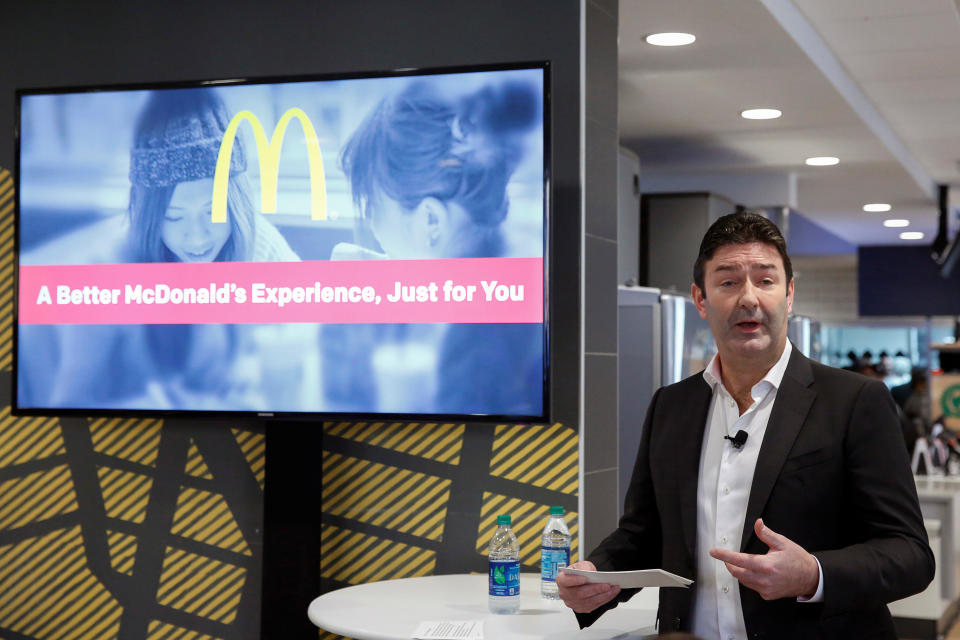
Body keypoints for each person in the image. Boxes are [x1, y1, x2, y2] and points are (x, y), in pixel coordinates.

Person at [558, 212, 934, 639]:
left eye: (766, 280)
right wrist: (598, 575)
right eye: (729, 282)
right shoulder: (672, 405)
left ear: (789, 295)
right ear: (700, 299)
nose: (749, 298)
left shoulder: (854, 401)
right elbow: (645, 532)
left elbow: (910, 555)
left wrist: (814, 573)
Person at [27, 89, 302, 410]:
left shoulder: (259, 245)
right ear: (150, 219)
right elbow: (68, 405)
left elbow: (304, 341)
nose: (197, 238)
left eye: (214, 212)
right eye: (173, 217)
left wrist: (259, 364)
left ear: (236, 205)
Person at [334, 78, 543, 416]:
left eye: (371, 207)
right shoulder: (511, 279)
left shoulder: (470, 358)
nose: (372, 229)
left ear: (431, 221)